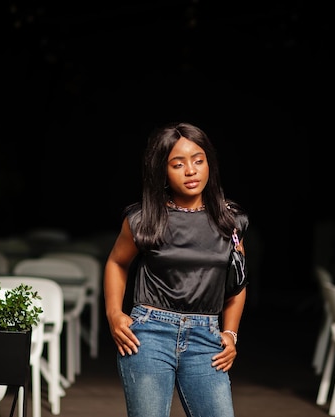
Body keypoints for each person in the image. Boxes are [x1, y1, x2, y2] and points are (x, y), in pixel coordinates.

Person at [104, 121, 249, 417]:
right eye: (178, 164)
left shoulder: (230, 221)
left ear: (209, 162)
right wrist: (114, 313)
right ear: (162, 171)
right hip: (148, 334)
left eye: (198, 160)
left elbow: (238, 283)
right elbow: (117, 262)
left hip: (205, 337)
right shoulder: (144, 219)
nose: (191, 171)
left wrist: (231, 334)